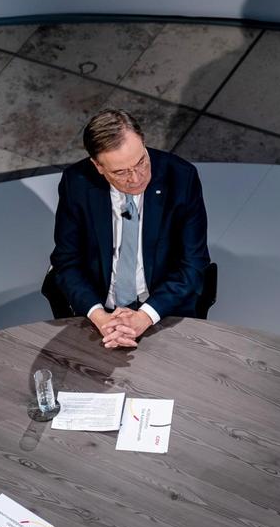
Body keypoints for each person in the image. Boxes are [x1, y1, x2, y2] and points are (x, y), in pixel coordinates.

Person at [50, 108, 210, 348]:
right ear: (98, 166)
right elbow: (66, 262)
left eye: (141, 162)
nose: (136, 179)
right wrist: (100, 316)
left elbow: (194, 263)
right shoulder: (77, 183)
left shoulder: (181, 178)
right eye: (120, 172)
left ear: (144, 144)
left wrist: (144, 316)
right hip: (100, 313)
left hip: (163, 308)